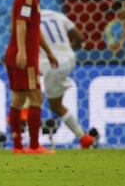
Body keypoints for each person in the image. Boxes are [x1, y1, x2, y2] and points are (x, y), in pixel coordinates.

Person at [4, 0, 58, 154]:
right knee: (36, 97)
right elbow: (20, 23)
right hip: (23, 55)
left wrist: (49, 52)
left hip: (21, 53)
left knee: (18, 99)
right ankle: (34, 145)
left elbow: (34, 27)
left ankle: (18, 146)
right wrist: (22, 51)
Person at [39, 9, 94, 148]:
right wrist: (70, 49)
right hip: (69, 58)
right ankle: (84, 138)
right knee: (55, 105)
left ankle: (28, 142)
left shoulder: (28, 18)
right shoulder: (57, 15)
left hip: (50, 63)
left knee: (32, 97)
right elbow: (80, 37)